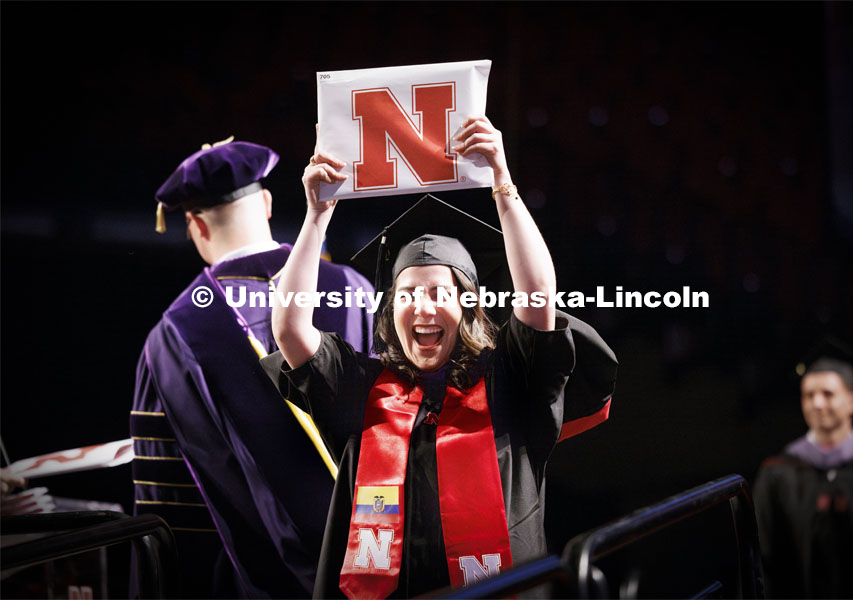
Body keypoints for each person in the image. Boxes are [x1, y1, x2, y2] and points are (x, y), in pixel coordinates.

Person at [262, 117, 617, 598]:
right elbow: (288, 328)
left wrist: (502, 182)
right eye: (407, 294)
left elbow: (537, 298)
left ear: (467, 305)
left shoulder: (511, 384)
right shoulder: (361, 390)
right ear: (390, 310)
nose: (423, 307)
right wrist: (317, 216)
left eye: (438, 293)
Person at [132, 138, 374, 598]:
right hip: (381, 552)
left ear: (195, 225)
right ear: (265, 203)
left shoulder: (172, 337)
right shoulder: (354, 289)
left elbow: (170, 501)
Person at [753, 357, 853, 599]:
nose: (817, 403)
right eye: (808, 395)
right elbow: (762, 554)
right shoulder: (778, 473)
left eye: (828, 394)